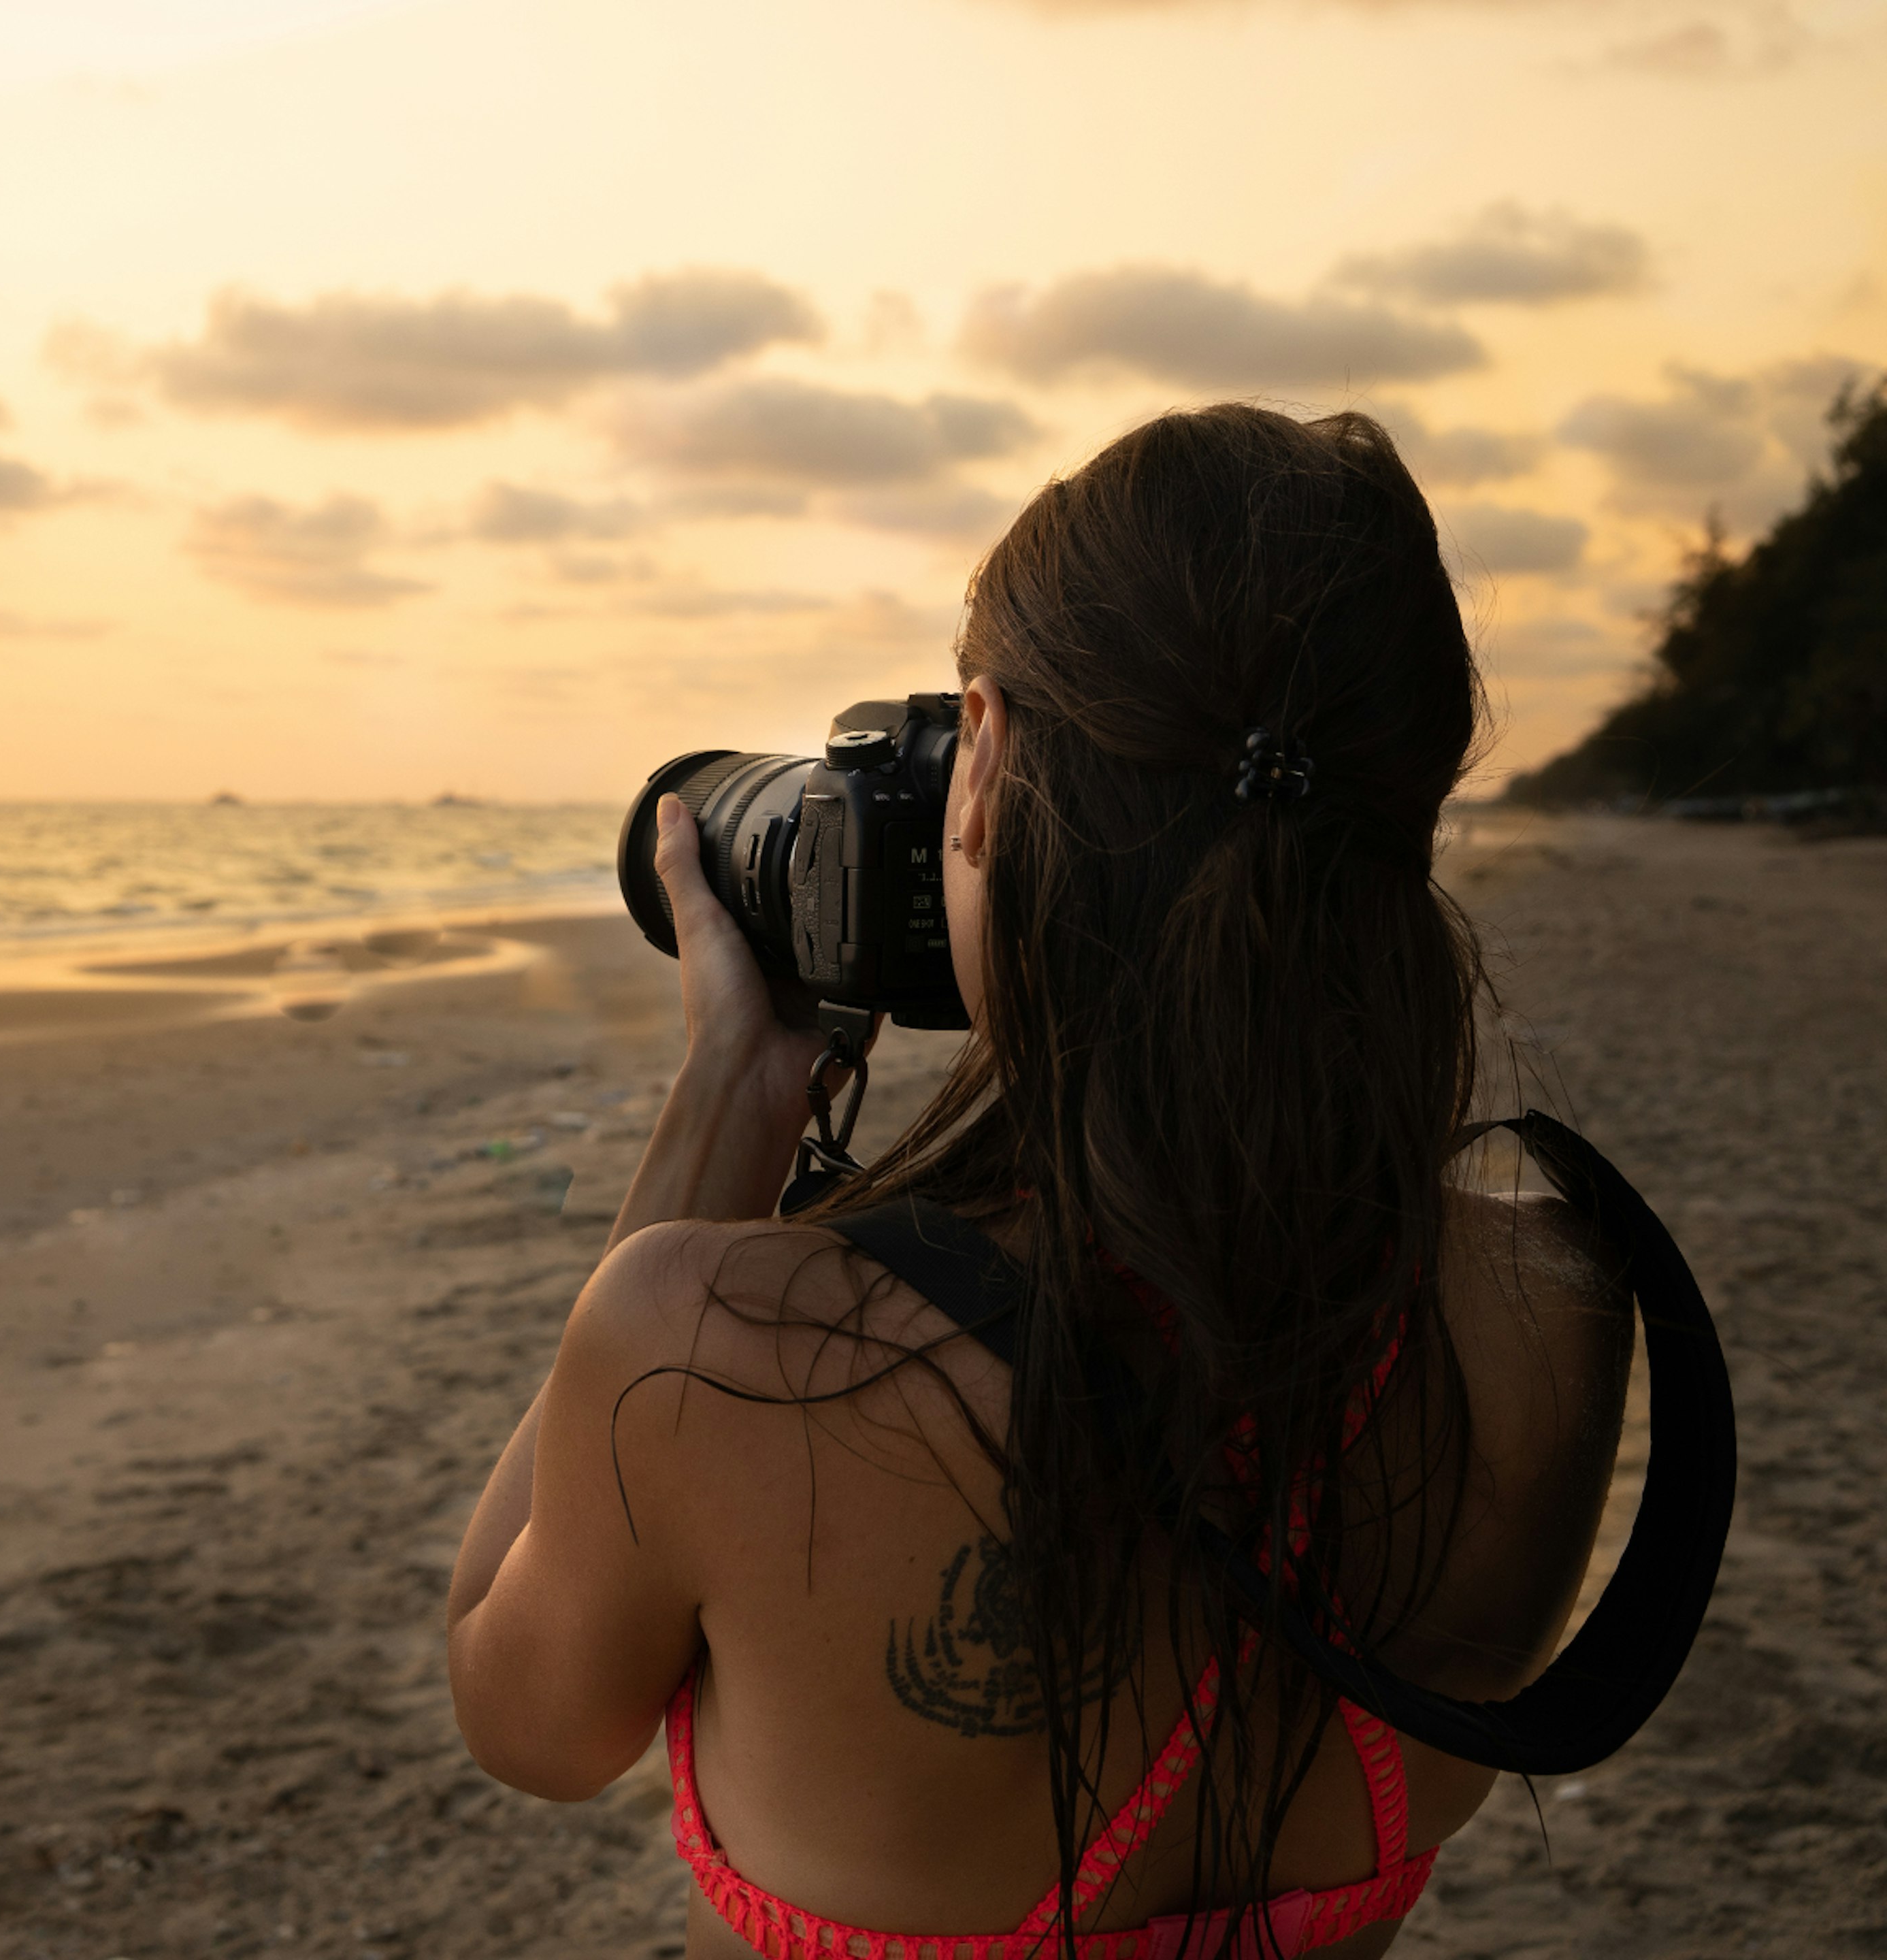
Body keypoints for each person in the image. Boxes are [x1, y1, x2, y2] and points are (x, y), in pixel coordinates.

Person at [446, 405, 1635, 1959]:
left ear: (986, 763)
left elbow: (521, 1713)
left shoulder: (712, 1349)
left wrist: (736, 1092)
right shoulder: (1553, 1308)